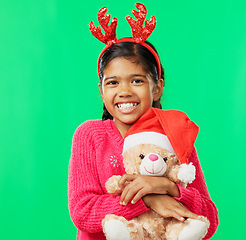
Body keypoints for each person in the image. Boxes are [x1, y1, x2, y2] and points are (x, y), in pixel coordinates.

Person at [68, 3, 218, 239]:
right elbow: (83, 211)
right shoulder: (90, 134)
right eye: (113, 82)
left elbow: (210, 217)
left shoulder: (175, 134)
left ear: (157, 87)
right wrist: (149, 198)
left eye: (137, 81)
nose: (124, 91)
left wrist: (170, 188)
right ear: (101, 90)